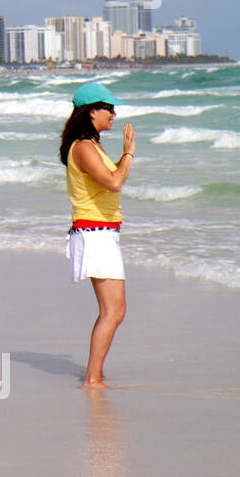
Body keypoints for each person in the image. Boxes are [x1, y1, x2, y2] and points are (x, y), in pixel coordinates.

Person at [61, 81, 136, 389]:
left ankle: (95, 374)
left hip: (101, 231)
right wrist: (129, 154)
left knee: (113, 310)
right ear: (92, 113)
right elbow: (115, 183)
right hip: (94, 232)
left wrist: (122, 158)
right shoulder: (83, 147)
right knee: (113, 310)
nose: (114, 114)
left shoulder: (91, 146)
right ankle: (92, 379)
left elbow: (110, 178)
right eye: (109, 108)